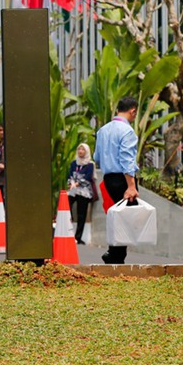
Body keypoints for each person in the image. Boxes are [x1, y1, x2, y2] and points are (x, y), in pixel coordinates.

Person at [94, 97, 140, 264]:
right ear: (132, 111)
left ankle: (113, 253)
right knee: (126, 218)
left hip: (108, 178)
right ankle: (115, 257)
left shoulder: (103, 130)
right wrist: (131, 186)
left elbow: (96, 157)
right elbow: (127, 160)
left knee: (117, 216)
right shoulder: (127, 132)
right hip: (122, 179)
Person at [67, 143, 96, 245]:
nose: (80, 151)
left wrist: (78, 183)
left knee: (81, 214)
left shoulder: (90, 164)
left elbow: (88, 177)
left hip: (84, 191)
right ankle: (68, 233)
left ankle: (78, 237)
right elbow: (70, 174)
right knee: (66, 207)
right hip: (73, 188)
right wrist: (72, 183)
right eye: (79, 149)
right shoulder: (74, 163)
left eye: (83, 150)